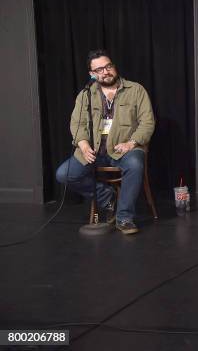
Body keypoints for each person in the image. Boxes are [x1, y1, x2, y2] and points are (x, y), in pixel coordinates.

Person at [56, 50, 155, 235]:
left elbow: (147, 122)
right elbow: (78, 123)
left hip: (124, 149)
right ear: (92, 74)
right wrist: (84, 146)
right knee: (64, 174)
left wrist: (132, 143)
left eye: (108, 66)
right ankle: (106, 196)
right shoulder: (85, 95)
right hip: (95, 151)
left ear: (114, 67)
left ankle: (124, 218)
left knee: (134, 164)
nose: (106, 71)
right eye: (99, 69)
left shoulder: (136, 90)